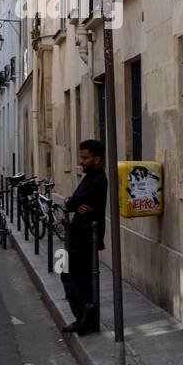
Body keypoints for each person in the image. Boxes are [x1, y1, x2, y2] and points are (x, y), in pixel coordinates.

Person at [61, 139, 108, 335]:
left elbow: (72, 204)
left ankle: (83, 316)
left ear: (97, 159)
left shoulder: (97, 179)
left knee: (67, 274)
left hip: (85, 237)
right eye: (81, 157)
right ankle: (86, 320)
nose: (82, 161)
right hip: (81, 235)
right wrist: (73, 203)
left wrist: (73, 203)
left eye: (85, 157)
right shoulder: (89, 177)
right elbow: (72, 203)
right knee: (82, 280)